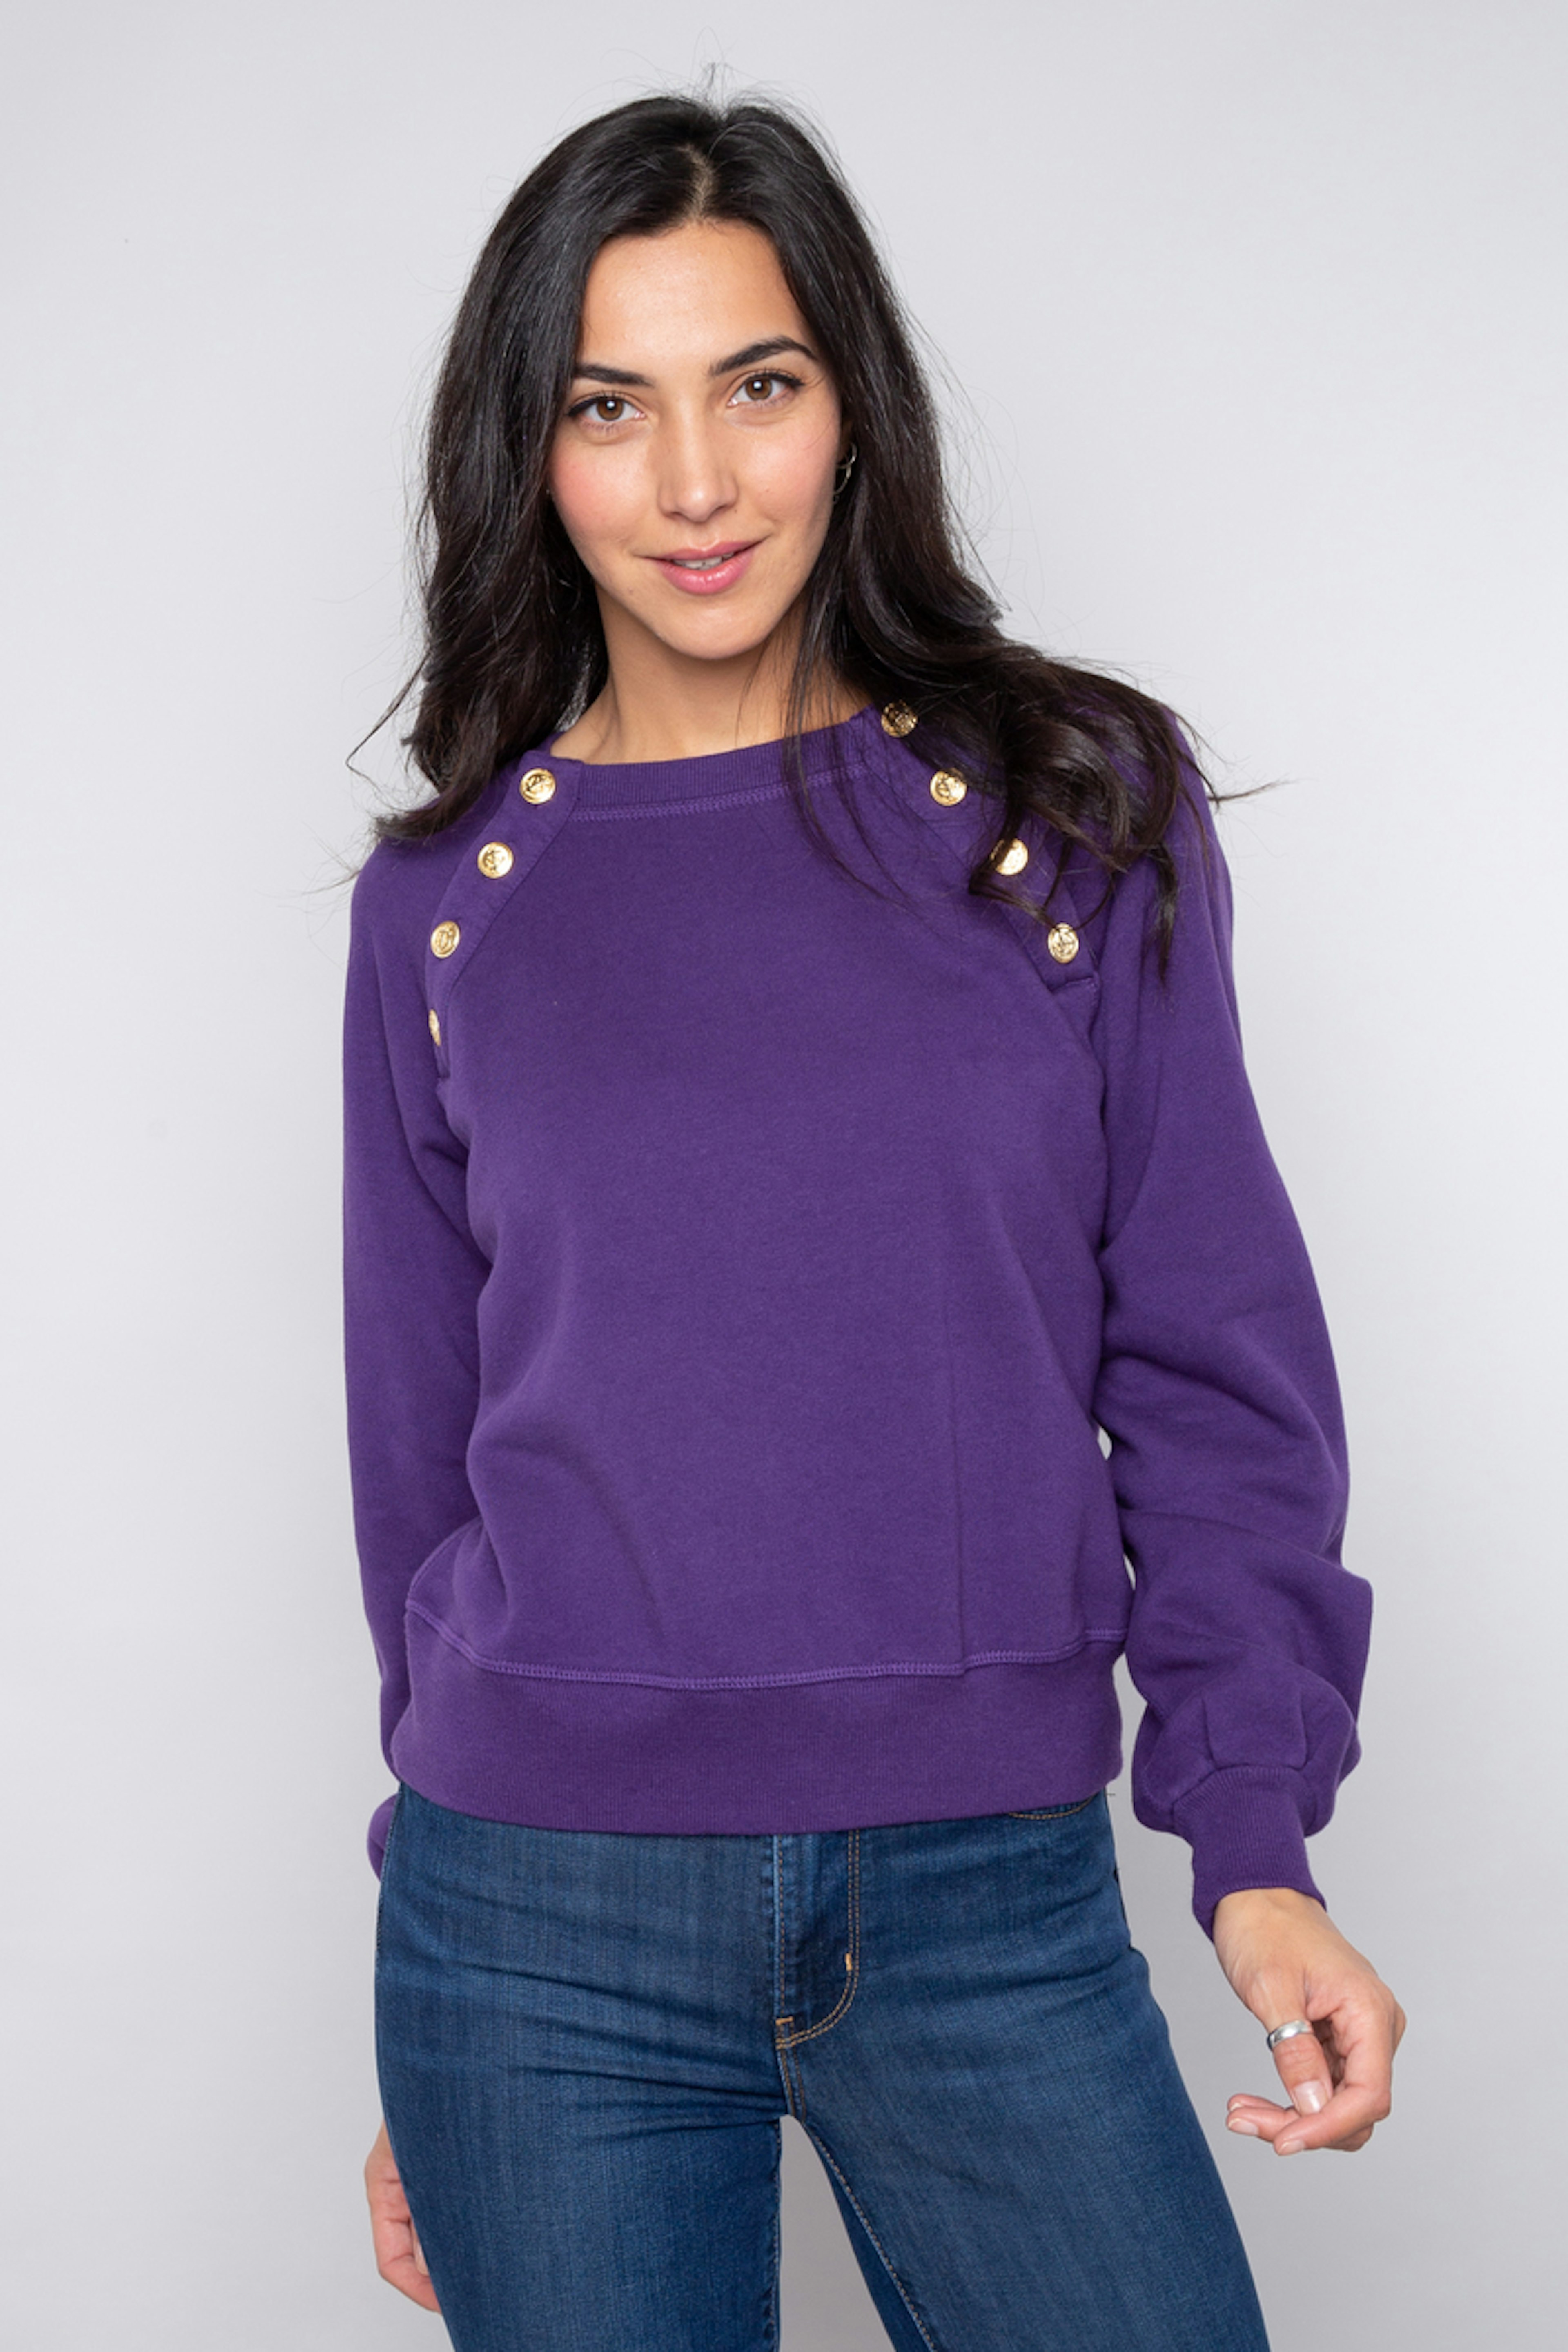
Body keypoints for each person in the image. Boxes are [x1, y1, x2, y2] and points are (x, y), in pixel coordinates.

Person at [342, 88, 1404, 2351]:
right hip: (527, 1938)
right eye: (609, 407)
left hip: (989, 1904)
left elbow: (1211, 1360)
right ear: (530, 452)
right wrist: (429, 2027)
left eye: (759, 385)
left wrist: (1253, 1844)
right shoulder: (446, 909)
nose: (695, 483)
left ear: (853, 406)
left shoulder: (1070, 820)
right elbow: (419, 1469)